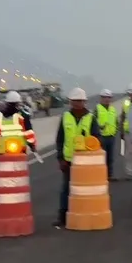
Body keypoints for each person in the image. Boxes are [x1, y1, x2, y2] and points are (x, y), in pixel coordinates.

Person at [55, 88, 95, 229]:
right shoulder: (65, 117)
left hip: (86, 162)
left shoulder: (91, 118)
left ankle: (85, 214)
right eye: (74, 101)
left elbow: (97, 139)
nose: (77, 104)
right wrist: (61, 159)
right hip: (69, 160)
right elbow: (60, 139)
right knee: (66, 189)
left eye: (79, 101)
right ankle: (63, 217)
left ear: (84, 102)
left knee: (86, 190)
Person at [95, 88, 119, 180]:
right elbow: (93, 122)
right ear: (101, 98)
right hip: (101, 137)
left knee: (110, 157)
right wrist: (99, 129)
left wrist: (115, 130)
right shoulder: (97, 108)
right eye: (105, 97)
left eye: (109, 97)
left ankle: (109, 175)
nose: (107, 99)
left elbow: (116, 121)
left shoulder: (112, 109)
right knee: (101, 158)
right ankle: (101, 175)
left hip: (111, 136)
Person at [120, 84, 132, 179]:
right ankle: (130, 171)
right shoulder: (126, 103)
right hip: (128, 131)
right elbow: (123, 116)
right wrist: (121, 131)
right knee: (130, 152)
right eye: (131, 93)